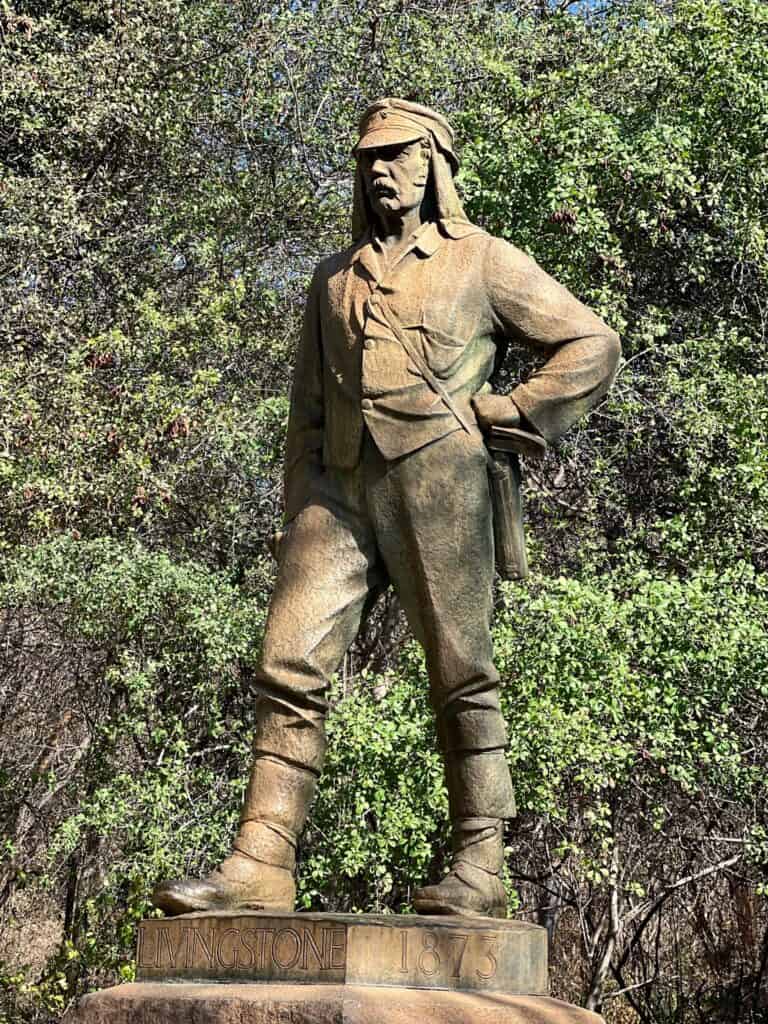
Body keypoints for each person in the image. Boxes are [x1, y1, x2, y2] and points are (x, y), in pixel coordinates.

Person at [153, 98, 620, 920]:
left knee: (460, 669)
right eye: (369, 157)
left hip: (439, 482)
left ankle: (481, 864)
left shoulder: (482, 261)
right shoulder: (332, 277)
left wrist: (513, 411)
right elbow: (304, 407)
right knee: (287, 664)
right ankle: (261, 861)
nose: (379, 170)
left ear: (433, 162)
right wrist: (301, 501)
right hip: (337, 490)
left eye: (397, 154)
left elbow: (591, 342)